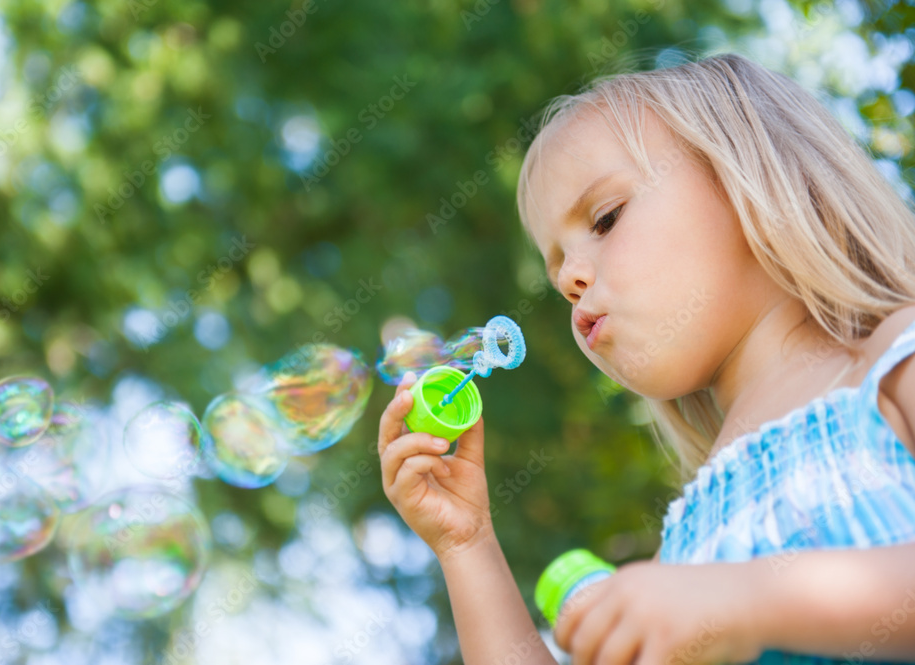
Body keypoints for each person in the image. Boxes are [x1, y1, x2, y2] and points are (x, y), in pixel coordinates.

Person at [377, 51, 915, 664]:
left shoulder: (894, 362)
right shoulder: (686, 548)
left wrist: (745, 601)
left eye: (605, 219)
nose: (573, 278)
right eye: (559, 275)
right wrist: (466, 544)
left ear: (747, 178)